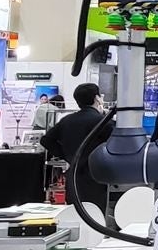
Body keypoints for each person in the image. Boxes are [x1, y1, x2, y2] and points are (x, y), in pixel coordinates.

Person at [41, 83, 108, 211]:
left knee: (74, 212)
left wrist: (66, 155)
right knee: (96, 214)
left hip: (74, 175)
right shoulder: (102, 121)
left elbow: (46, 140)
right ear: (97, 98)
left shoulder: (67, 120)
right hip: (96, 177)